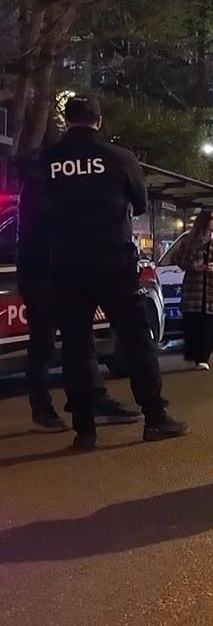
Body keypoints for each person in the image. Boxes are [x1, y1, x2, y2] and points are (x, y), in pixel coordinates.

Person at [37, 94, 187, 450]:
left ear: (67, 119)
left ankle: (85, 430)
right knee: (136, 338)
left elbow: (41, 211)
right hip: (113, 260)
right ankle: (155, 417)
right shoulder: (119, 157)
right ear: (99, 120)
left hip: (67, 263)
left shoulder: (48, 160)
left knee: (76, 345)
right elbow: (140, 203)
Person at [15, 154, 140, 433]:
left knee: (79, 339)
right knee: (45, 342)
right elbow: (46, 230)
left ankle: (93, 398)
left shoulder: (47, 184)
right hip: (42, 274)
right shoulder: (41, 186)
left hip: (56, 270)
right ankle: (43, 408)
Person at [176, 210, 213, 370]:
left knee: (208, 326)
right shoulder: (190, 240)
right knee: (192, 324)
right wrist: (193, 266)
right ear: (204, 221)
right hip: (193, 288)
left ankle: (203, 358)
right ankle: (192, 353)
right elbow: (179, 259)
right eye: (212, 219)